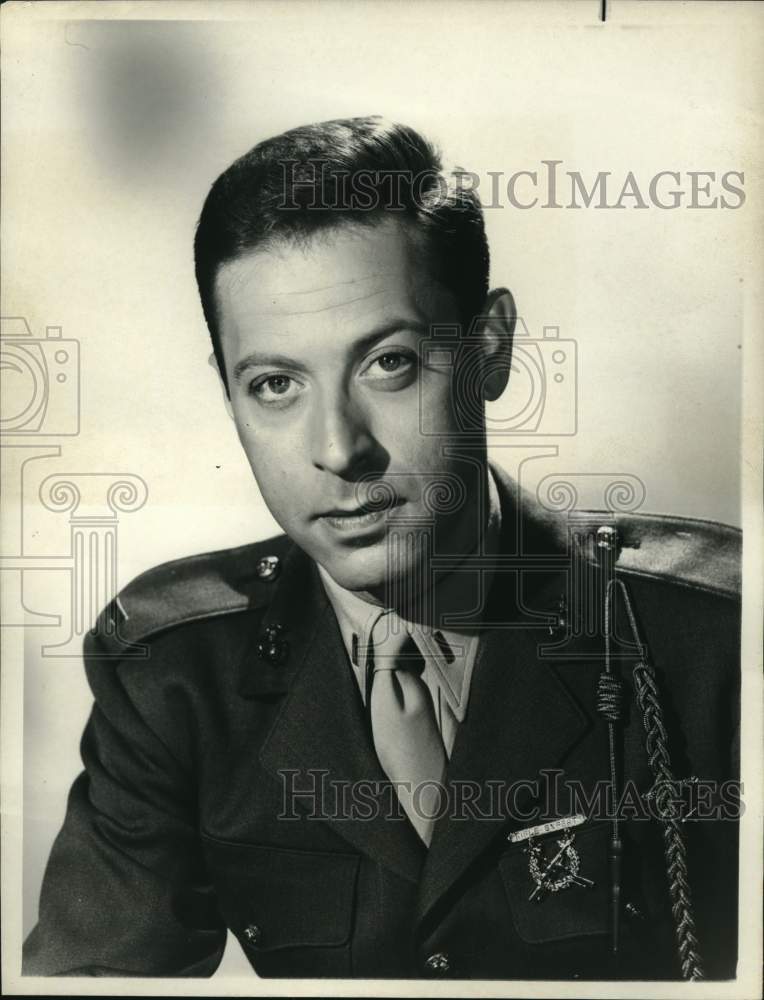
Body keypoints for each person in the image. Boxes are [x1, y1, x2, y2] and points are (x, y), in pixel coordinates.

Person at [23, 117, 741, 981]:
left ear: (491, 347)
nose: (338, 448)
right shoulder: (177, 675)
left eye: (389, 364)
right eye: (276, 385)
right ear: (228, 392)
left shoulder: (709, 640)